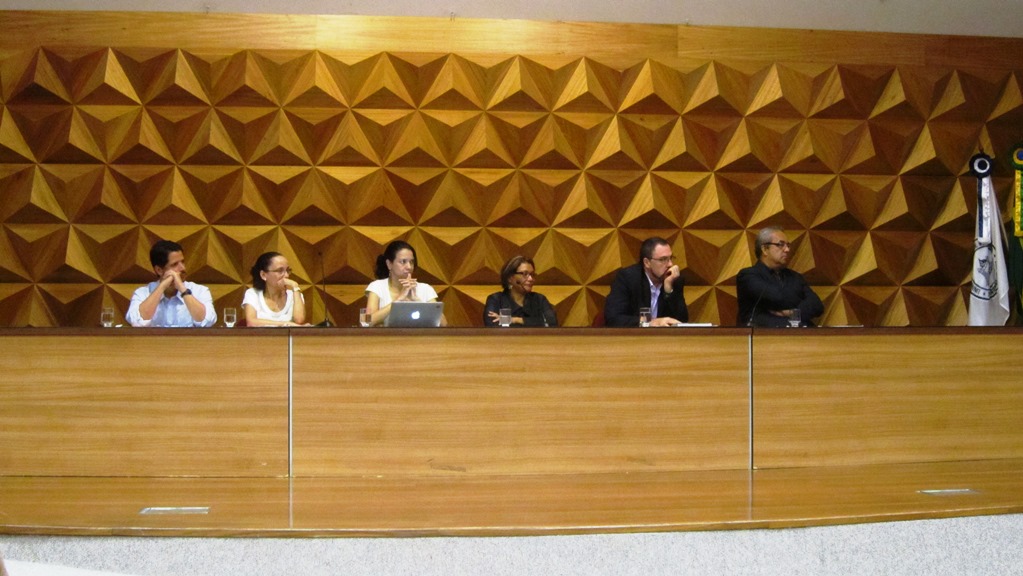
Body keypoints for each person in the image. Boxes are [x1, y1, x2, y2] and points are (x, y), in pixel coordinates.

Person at [736, 226, 824, 327]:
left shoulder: (795, 277)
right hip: (762, 337)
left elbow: (817, 306)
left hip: (800, 337)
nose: (787, 250)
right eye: (780, 245)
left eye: (788, 245)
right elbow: (776, 297)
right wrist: (800, 301)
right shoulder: (748, 275)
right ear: (765, 249)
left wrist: (792, 313)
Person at [126, 240, 217, 328]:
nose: (182, 268)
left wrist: (182, 289)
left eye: (182, 262)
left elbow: (207, 322)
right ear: (159, 270)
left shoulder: (200, 291)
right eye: (175, 264)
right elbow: (137, 322)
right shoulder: (142, 293)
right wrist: (162, 286)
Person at [603, 237, 688, 327]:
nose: (670, 264)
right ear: (647, 262)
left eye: (671, 258)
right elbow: (614, 318)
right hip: (633, 338)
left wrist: (668, 291)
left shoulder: (674, 279)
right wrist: (650, 323)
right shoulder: (628, 278)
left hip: (664, 339)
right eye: (663, 259)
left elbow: (682, 321)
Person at [365, 240, 447, 326]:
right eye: (403, 262)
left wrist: (419, 302)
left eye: (411, 262)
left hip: (420, 338)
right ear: (389, 264)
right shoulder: (377, 287)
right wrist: (397, 301)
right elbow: (367, 321)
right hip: (387, 339)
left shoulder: (425, 289)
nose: (409, 267)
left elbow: (443, 324)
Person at [483, 255, 558, 327]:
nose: (530, 279)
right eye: (525, 274)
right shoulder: (496, 299)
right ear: (510, 278)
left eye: (532, 274)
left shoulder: (539, 299)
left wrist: (515, 320)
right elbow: (492, 325)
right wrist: (534, 323)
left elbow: (552, 323)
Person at [242, 252, 309, 327]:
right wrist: (286, 324)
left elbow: (299, 320)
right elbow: (251, 323)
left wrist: (295, 286)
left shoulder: (295, 295)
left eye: (288, 270)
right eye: (280, 271)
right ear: (263, 275)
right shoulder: (253, 294)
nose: (286, 275)